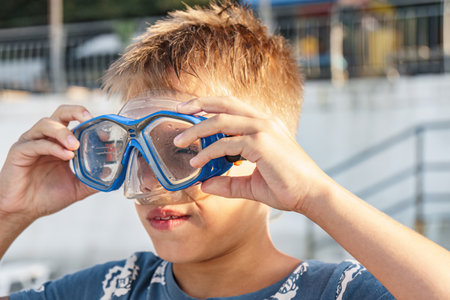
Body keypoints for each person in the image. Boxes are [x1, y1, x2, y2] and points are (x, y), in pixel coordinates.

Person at [0, 2, 449, 299]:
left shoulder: (338, 291)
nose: (149, 185)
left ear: (263, 152)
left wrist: (316, 196)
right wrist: (9, 213)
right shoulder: (110, 290)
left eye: (182, 149)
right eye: (131, 150)